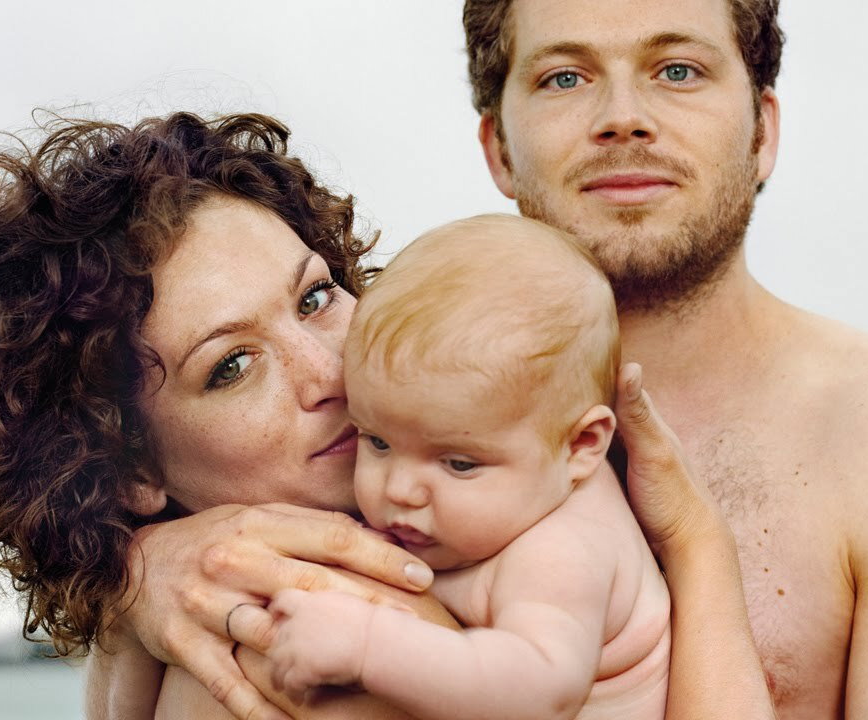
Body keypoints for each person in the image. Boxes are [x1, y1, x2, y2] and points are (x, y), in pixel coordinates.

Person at [0, 111, 755, 720]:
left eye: (316, 297)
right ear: (129, 470)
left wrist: (695, 539)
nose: (332, 373)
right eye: (232, 366)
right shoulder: (292, 638)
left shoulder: (504, 464)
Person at [461, 0, 868, 717]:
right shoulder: (386, 423)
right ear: (499, 149)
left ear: (763, 132)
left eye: (678, 70)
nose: (622, 116)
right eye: (564, 78)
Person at [266, 214, 670, 718]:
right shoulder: (527, 473)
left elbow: (539, 692)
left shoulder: (563, 551)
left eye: (458, 464)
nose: (400, 489)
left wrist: (366, 643)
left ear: (582, 446)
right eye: (379, 442)